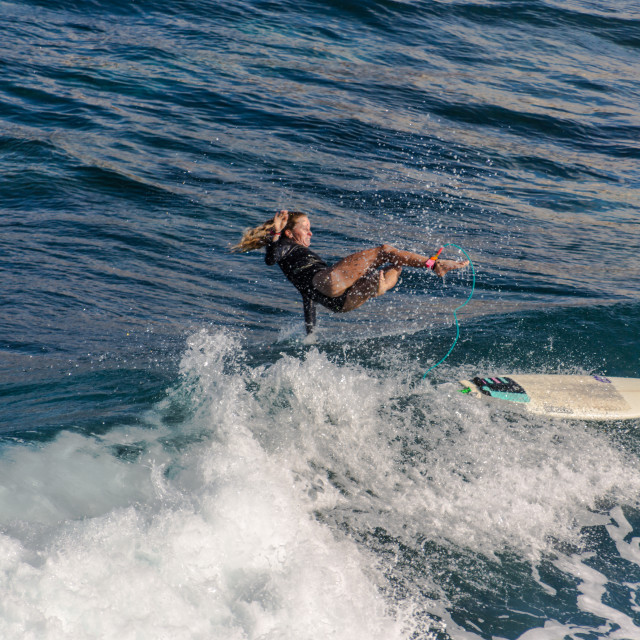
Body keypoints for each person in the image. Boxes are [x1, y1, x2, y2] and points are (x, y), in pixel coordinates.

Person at [232, 210, 468, 334]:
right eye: (305, 228)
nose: (310, 233)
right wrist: (275, 234)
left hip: (340, 304)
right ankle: (434, 263)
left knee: (397, 261)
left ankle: (380, 285)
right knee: (384, 251)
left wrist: (310, 334)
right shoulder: (284, 246)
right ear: (288, 232)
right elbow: (271, 259)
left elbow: (308, 297)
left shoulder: (293, 261)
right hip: (328, 284)